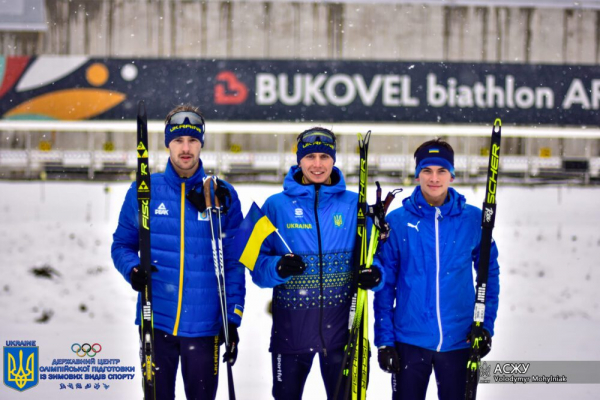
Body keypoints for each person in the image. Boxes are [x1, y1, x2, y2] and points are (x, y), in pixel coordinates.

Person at [111, 104, 245, 400]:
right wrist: (132, 269)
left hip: (205, 326)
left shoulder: (222, 194)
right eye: (179, 140)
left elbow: (234, 261)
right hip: (156, 321)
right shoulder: (144, 190)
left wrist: (233, 317)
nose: (186, 148)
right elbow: (122, 245)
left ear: (201, 143)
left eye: (193, 140)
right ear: (168, 143)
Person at [250, 127, 383, 400]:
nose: (318, 164)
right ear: (299, 160)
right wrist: (276, 268)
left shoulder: (354, 205)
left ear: (334, 160)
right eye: (310, 157)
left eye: (325, 156)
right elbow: (255, 266)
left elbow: (376, 257)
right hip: (291, 335)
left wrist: (374, 275)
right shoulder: (276, 205)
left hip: (344, 336)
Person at [373, 138, 500, 400]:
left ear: (451, 175)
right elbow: (384, 286)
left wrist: (485, 326)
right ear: (417, 174)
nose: (434, 178)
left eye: (442, 171)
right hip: (409, 341)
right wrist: (385, 340)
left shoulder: (473, 220)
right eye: (427, 171)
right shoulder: (397, 222)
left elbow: (489, 276)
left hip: (460, 340)